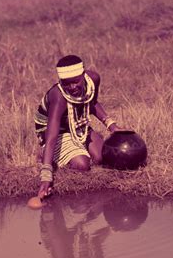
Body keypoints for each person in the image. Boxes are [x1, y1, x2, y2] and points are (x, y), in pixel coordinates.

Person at [34, 55, 124, 200]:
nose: (72, 87)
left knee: (102, 157)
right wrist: (46, 175)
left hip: (78, 123)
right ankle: (44, 154)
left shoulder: (93, 79)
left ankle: (76, 145)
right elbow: (51, 136)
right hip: (54, 131)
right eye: (66, 83)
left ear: (83, 74)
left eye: (76, 81)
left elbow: (92, 102)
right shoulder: (58, 96)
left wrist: (111, 125)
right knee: (82, 165)